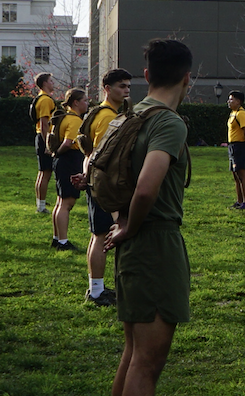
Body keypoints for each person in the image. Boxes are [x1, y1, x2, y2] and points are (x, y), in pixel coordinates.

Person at [105, 37, 194, 396]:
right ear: (187, 78)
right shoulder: (169, 123)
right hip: (153, 241)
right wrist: (131, 227)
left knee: (132, 353)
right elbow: (147, 185)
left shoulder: (132, 114)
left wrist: (124, 227)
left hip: (134, 244)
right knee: (148, 360)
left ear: (145, 76)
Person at [79, 69, 133, 307]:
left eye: (128, 86)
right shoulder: (107, 117)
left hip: (95, 182)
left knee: (97, 236)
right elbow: (102, 154)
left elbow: (89, 152)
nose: (127, 90)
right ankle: (97, 292)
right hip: (104, 185)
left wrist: (85, 176)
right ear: (107, 89)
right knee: (102, 237)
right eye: (122, 86)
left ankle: (96, 288)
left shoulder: (98, 112)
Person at [49, 88, 88, 251]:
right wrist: (58, 153)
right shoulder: (74, 120)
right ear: (76, 102)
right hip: (69, 159)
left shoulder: (65, 116)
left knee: (60, 201)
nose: (87, 103)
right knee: (67, 203)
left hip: (63, 161)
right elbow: (67, 142)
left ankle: (57, 238)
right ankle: (63, 242)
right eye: (85, 100)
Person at [31, 72, 56, 214]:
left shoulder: (41, 98)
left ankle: (40, 202)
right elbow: (44, 123)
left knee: (42, 173)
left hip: (40, 136)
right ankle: (41, 207)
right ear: (45, 83)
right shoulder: (46, 100)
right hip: (43, 137)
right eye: (51, 81)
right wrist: (48, 144)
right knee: (45, 173)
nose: (53, 83)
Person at [225, 90, 245, 210]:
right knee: (235, 175)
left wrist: (244, 143)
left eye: (232, 99)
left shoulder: (241, 113)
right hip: (232, 146)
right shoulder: (232, 113)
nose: (229, 102)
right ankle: (239, 200)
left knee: (241, 174)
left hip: (239, 145)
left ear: (238, 101)